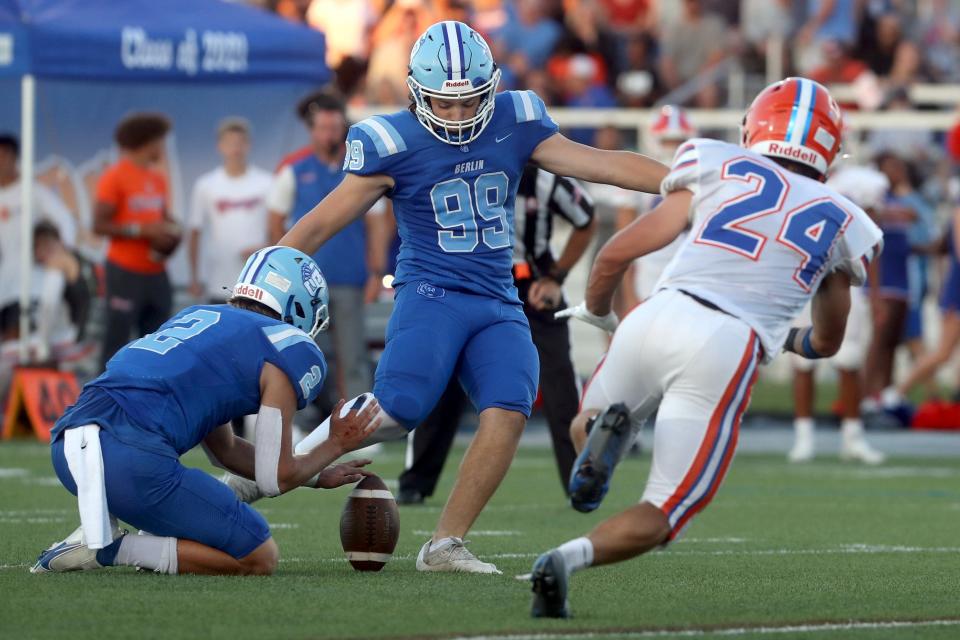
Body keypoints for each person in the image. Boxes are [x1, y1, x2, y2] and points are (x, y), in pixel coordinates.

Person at [275, 20, 667, 574]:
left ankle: (444, 545)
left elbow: (604, 164)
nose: (458, 116)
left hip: (498, 298)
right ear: (417, 93)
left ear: (492, 89)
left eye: (470, 103)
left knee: (508, 405)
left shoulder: (516, 121)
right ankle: (278, 465)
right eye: (444, 103)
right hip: (432, 292)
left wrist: (684, 181)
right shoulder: (392, 141)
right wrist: (267, 275)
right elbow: (319, 224)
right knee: (399, 409)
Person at [528, 77, 883, 618]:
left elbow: (614, 255)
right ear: (831, 148)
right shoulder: (843, 219)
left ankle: (603, 436)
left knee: (588, 421)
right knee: (666, 510)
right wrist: (783, 339)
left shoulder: (717, 163)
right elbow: (828, 340)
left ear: (755, 125)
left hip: (658, 312)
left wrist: (601, 312)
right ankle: (564, 559)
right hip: (727, 340)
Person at [31, 247, 379, 576]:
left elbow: (224, 450)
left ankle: (110, 532)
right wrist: (334, 444)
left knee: (206, 526)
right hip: (129, 460)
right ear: (299, 306)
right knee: (258, 555)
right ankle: (108, 549)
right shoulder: (286, 345)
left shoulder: (200, 315)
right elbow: (276, 477)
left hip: (68, 447)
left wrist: (316, 475)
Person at [397, 164, 597, 504]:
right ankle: (416, 481)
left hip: (531, 286)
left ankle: (581, 482)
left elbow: (586, 218)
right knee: (442, 380)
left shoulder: (545, 179)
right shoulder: (462, 167)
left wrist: (555, 277)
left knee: (560, 383)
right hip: (472, 285)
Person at [267, 90, 388, 404]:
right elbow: (275, 219)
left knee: (352, 355)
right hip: (304, 285)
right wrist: (283, 267)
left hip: (349, 277)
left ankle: (360, 418)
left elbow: (376, 223)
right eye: (323, 128)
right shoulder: (293, 170)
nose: (329, 135)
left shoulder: (359, 170)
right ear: (312, 130)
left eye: (334, 128)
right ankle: (303, 421)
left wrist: (376, 271)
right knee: (302, 354)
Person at [788, 164, 888, 464]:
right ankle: (803, 437)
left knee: (850, 360)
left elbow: (871, 240)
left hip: (844, 278)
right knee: (801, 362)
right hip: (800, 278)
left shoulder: (859, 182)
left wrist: (876, 290)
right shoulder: (788, 178)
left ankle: (852, 436)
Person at [94, 113, 181, 372]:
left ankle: (149, 399)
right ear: (148, 142)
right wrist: (141, 230)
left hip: (156, 272)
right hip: (124, 271)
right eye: (160, 141)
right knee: (116, 340)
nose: (162, 148)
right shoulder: (115, 176)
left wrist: (173, 231)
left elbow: (162, 218)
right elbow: (98, 225)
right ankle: (105, 402)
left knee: (158, 342)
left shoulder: (157, 179)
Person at [0, 133, 77, 341]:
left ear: (12, 157)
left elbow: (64, 220)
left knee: (18, 334)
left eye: (3, 156)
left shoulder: (32, 191)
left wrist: (61, 251)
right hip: (4, 280)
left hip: (28, 282)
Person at [188, 118, 272, 304]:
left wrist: (263, 248)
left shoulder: (267, 183)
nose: (236, 149)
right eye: (230, 143)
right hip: (218, 283)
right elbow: (195, 232)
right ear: (220, 146)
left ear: (248, 145)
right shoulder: (206, 185)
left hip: (258, 285)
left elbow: (280, 229)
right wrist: (193, 277)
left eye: (240, 143)